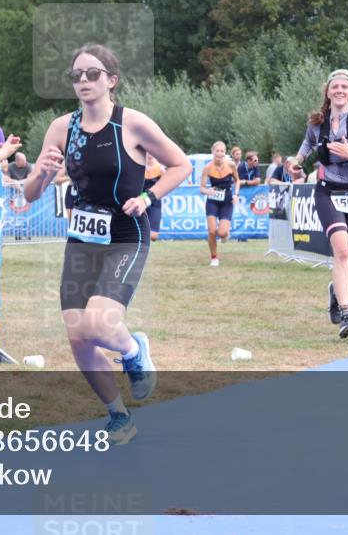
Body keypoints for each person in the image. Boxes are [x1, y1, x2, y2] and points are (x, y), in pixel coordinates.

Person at [23, 44, 191, 445]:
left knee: (98, 323)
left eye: (92, 74)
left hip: (124, 236)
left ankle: (133, 350)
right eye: (76, 75)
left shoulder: (132, 124)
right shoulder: (62, 128)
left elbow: (181, 164)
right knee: (78, 337)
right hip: (81, 241)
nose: (83, 81)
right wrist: (42, 172)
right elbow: (30, 193)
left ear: (111, 80)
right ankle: (118, 416)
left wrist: (149, 197)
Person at [286, 69, 348, 339]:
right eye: (335, 86)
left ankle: (335, 291)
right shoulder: (318, 122)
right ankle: (347, 315)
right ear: (328, 92)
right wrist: (297, 163)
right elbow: (307, 143)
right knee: (340, 253)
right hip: (328, 191)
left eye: (345, 86)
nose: (339, 90)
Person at [199, 141, 240, 266]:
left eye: (222, 151)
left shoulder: (231, 166)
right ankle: (214, 257)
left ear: (225, 153)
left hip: (227, 201)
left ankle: (225, 234)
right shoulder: (207, 168)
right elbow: (201, 188)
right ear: (213, 152)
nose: (219, 153)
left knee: (222, 233)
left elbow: (237, 181)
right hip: (212, 200)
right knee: (212, 231)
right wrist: (207, 191)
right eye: (217, 151)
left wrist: (236, 195)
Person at [143, 154, 164, 241]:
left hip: (154, 203)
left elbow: (164, 188)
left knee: (153, 236)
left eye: (152, 151)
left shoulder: (161, 170)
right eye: (147, 151)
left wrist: (150, 195)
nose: (149, 153)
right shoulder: (139, 167)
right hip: (141, 202)